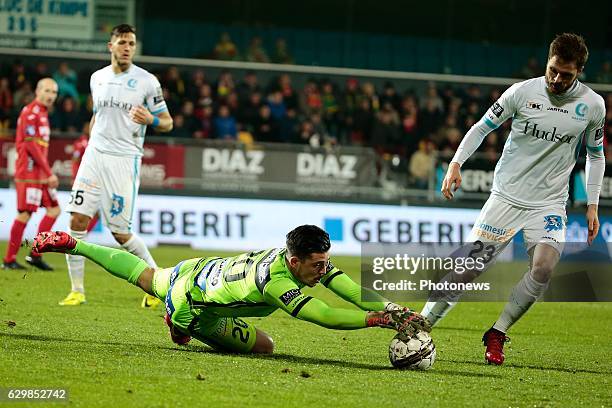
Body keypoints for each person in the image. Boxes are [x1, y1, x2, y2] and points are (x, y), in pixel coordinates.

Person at [421, 33, 606, 365]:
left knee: (545, 268)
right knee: (468, 268)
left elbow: (595, 155)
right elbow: (481, 127)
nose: (557, 79)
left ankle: (498, 331)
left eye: (567, 74)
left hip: (549, 203)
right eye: (553, 70)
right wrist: (455, 163)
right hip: (506, 197)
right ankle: (422, 326)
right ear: (547, 62)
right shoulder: (522, 92)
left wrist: (592, 204)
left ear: (579, 71)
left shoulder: (593, 106)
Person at [32, 225, 431, 354]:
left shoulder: (300, 259)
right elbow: (323, 315)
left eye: (325, 263)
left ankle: (75, 244)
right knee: (266, 347)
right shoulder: (276, 281)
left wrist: (393, 307)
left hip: (196, 270)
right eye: (318, 265)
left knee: (146, 276)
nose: (324, 270)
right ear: (296, 262)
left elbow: (349, 289)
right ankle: (180, 323)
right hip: (193, 302)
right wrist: (377, 320)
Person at [62, 24, 173, 306]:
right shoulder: (97, 78)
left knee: (120, 232)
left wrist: (152, 120)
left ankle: (158, 285)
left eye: (131, 43)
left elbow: (168, 122)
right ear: (110, 46)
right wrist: (91, 141)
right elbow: (97, 115)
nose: (127, 48)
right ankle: (77, 290)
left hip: (124, 160)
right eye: (122, 42)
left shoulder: (147, 81)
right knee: (76, 220)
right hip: (95, 154)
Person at [2, 78, 59, 271]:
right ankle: (9, 260)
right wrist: (49, 172)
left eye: (54, 92)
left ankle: (36, 255)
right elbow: (30, 145)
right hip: (29, 173)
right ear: (37, 90)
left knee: (54, 210)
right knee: (25, 214)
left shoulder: (43, 113)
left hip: (39, 173)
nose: (51, 96)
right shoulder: (30, 112)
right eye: (47, 91)